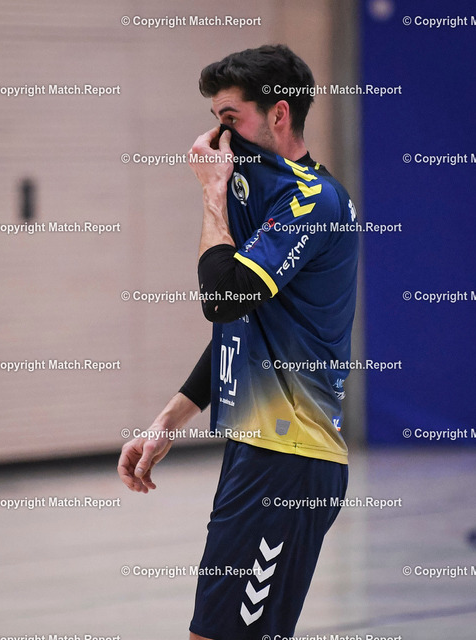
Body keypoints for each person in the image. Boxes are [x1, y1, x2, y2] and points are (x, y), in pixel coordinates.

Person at [118, 44, 358, 640]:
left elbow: (221, 298)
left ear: (279, 114)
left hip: (290, 460)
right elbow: (241, 328)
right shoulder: (271, 199)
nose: (218, 141)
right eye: (215, 122)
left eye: (230, 119)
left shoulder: (312, 201)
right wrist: (167, 423)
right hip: (256, 450)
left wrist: (211, 195)